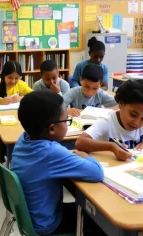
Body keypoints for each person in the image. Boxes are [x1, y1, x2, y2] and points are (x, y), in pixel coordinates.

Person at [11, 90, 104, 235]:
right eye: (66, 120)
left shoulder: (23, 139)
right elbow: (96, 173)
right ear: (52, 128)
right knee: (102, 222)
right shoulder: (50, 153)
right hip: (48, 224)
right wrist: (84, 155)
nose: (68, 125)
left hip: (32, 217)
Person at [75, 79, 143, 161]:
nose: (137, 122)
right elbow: (80, 142)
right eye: (133, 115)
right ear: (121, 104)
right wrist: (111, 146)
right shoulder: (107, 121)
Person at [0, 61, 33, 177]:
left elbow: (33, 95)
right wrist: (0, 100)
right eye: (10, 78)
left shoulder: (20, 84)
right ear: (3, 75)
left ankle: (14, 160)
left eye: (16, 78)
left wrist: (21, 98)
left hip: (14, 119)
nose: (13, 81)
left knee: (17, 137)